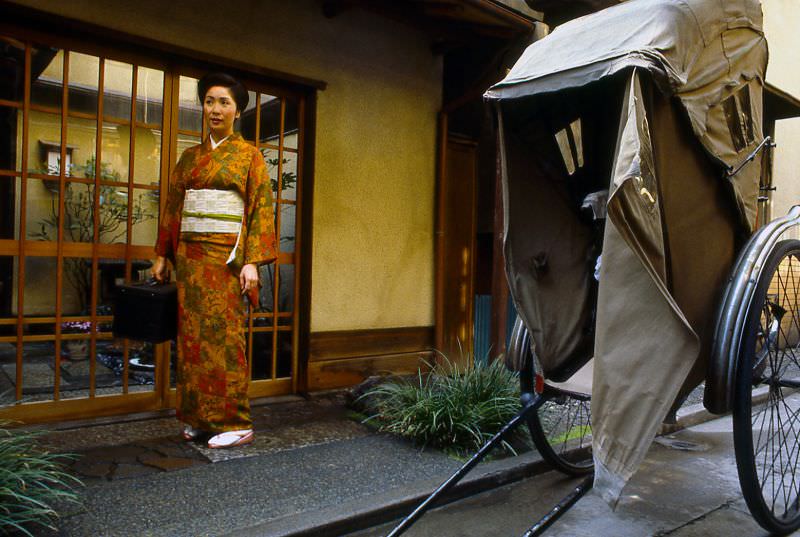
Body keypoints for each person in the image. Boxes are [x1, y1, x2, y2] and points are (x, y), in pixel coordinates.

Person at [152, 72, 277, 449]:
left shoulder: (249, 156)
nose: (215, 109)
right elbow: (174, 207)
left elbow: (260, 211)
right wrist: (162, 253)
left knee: (223, 339)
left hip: (226, 260)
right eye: (209, 101)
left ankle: (235, 421)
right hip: (190, 260)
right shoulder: (190, 157)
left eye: (224, 102)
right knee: (191, 340)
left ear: (238, 111)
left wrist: (252, 262)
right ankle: (198, 417)